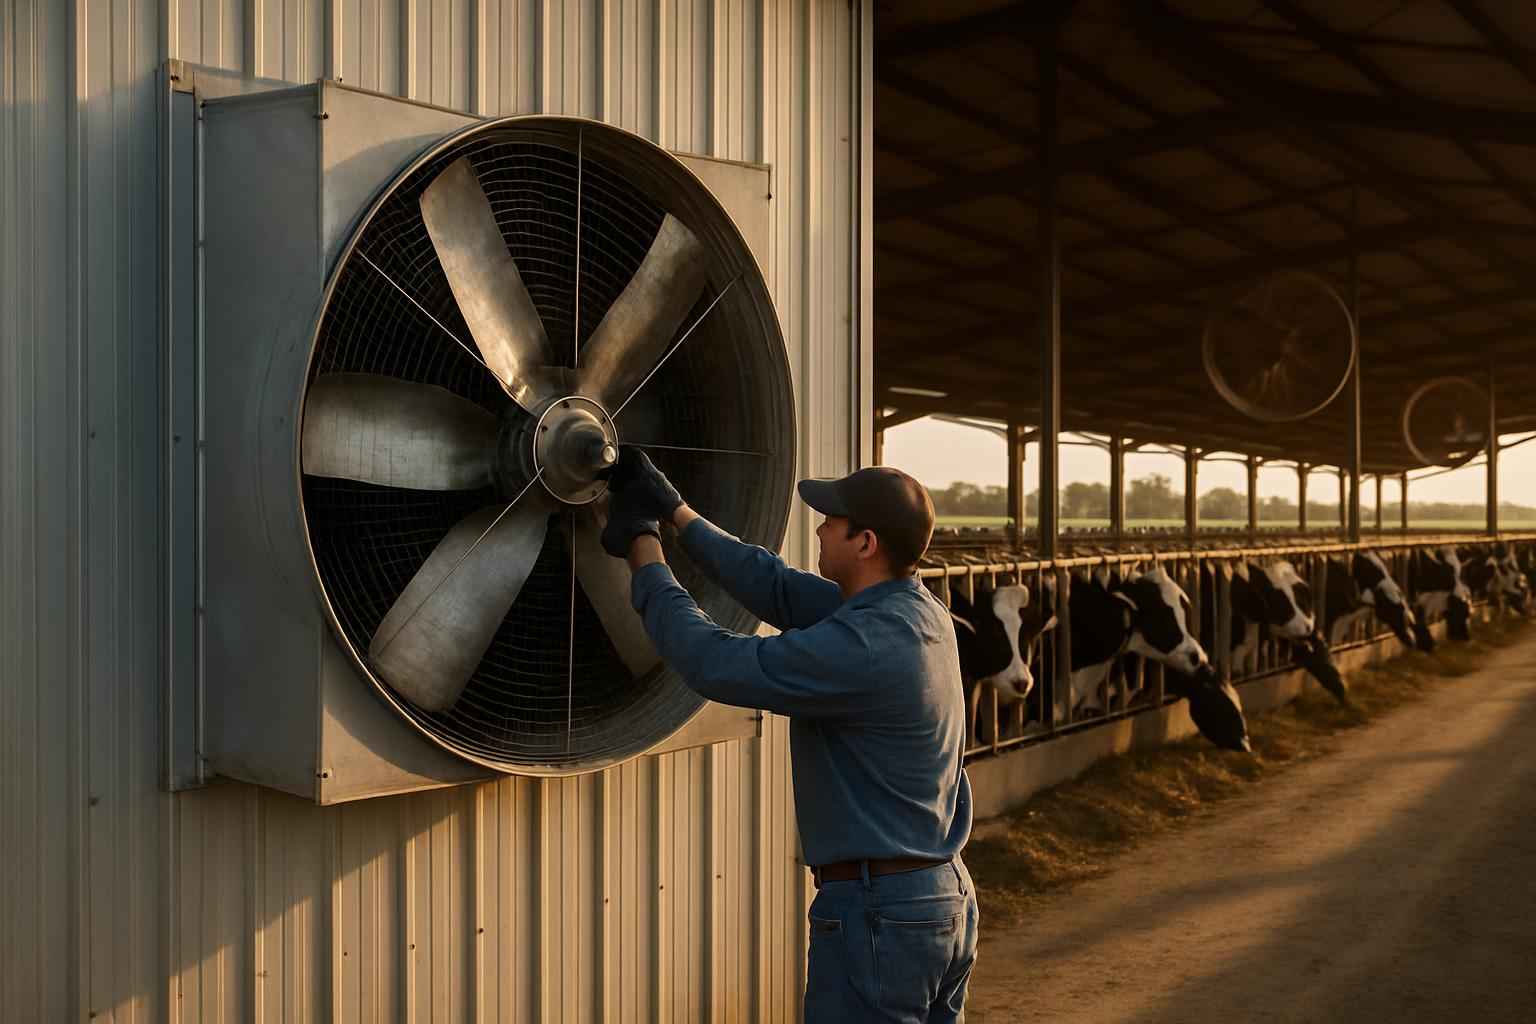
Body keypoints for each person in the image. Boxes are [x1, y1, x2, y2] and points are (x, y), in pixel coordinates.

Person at [598, 448, 978, 1023]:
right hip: (937, 900)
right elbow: (775, 586)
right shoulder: (916, 612)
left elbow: (713, 661)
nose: (820, 528)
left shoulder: (862, 647)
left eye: (832, 521)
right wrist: (676, 511)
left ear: (865, 544)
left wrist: (643, 550)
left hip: (881, 913)